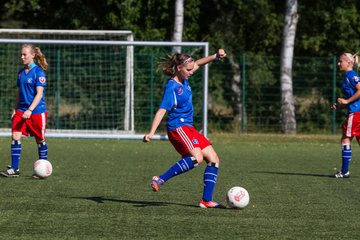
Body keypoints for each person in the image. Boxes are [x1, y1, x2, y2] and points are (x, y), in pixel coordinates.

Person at [143, 49, 227, 208]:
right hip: (177, 127)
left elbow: (199, 64)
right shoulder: (172, 86)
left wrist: (216, 56)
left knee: (214, 159)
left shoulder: (185, 76)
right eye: (188, 69)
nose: (191, 71)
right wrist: (151, 133)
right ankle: (160, 179)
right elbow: (162, 110)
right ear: (179, 68)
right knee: (197, 158)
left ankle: (206, 200)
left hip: (189, 127)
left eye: (191, 69)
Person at [0, 44, 49, 178]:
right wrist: (15, 109)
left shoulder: (39, 72)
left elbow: (39, 94)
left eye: (24, 54)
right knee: (15, 136)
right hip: (21, 110)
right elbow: (19, 93)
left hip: (37, 112)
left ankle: (43, 168)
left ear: (32, 55)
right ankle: (14, 169)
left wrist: (30, 109)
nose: (22, 57)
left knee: (40, 139)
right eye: (21, 54)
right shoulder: (21, 72)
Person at [331, 52, 360, 178]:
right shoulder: (348, 75)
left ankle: (344, 171)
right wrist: (341, 106)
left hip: (355, 113)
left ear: (348, 63)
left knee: (345, 138)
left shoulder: (351, 75)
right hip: (356, 111)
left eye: (340, 61)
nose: (338, 63)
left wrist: (347, 101)